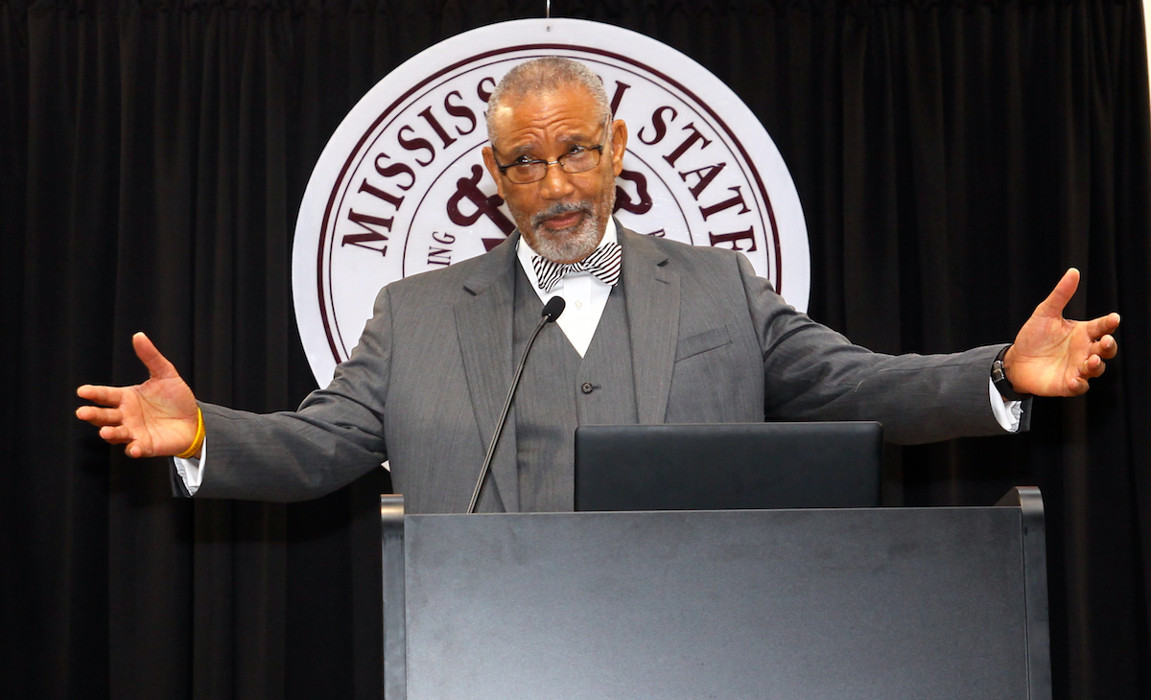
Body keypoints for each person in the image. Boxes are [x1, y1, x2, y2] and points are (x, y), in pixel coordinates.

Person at [76, 58, 1120, 513]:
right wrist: (205, 431)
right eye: (525, 165)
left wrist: (996, 371)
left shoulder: (718, 288)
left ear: (619, 149)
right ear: (492, 180)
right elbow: (321, 446)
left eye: (576, 152)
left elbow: (858, 386)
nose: (556, 185)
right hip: (479, 659)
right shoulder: (416, 315)